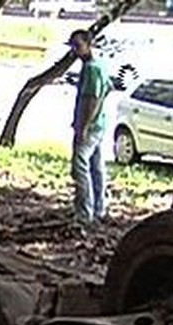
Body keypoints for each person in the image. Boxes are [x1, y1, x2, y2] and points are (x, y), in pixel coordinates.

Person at [68, 29, 112, 224]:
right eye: (72, 46)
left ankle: (85, 212)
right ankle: (99, 208)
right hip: (99, 124)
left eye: (78, 46)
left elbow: (92, 99)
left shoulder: (92, 68)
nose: (75, 51)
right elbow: (108, 88)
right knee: (96, 166)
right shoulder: (98, 66)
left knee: (80, 166)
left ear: (88, 45)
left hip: (92, 126)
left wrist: (84, 125)